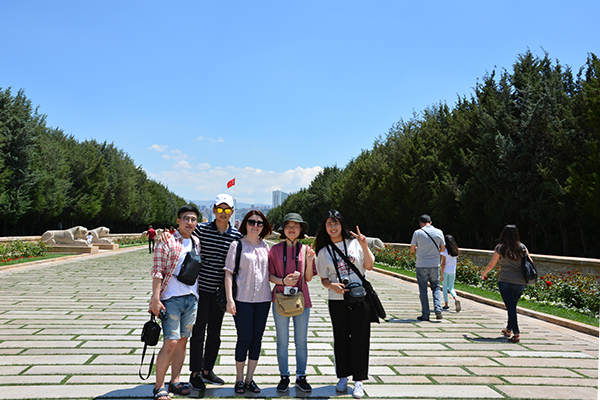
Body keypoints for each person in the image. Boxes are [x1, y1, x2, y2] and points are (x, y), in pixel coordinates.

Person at [157, 194, 242, 391]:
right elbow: (182, 233)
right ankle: (195, 372)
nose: (223, 213)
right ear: (213, 210)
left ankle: (207, 370)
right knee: (197, 333)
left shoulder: (236, 235)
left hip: (219, 292)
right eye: (219, 209)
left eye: (227, 209)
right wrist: (166, 233)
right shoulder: (202, 230)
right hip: (200, 289)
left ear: (231, 211)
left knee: (215, 333)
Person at [315, 210, 374, 399]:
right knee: (340, 338)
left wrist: (364, 246)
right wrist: (331, 285)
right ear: (325, 228)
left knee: (360, 338)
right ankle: (342, 376)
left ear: (342, 224)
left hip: (359, 298)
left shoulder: (355, 243)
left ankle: (359, 381)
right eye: (329, 224)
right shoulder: (323, 251)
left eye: (336, 223)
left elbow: (369, 266)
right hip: (336, 300)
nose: (333, 227)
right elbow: (323, 279)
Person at [149, 205, 200, 400]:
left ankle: (175, 381)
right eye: (186, 218)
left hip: (191, 298)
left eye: (193, 219)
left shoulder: (197, 241)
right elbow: (157, 271)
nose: (190, 222)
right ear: (178, 221)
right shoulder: (167, 241)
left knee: (182, 342)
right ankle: (159, 385)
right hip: (170, 299)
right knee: (170, 342)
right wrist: (155, 298)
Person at [224, 210, 272, 394]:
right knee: (244, 339)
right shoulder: (237, 245)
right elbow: (228, 273)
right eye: (252, 222)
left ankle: (250, 378)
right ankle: (238, 379)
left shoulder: (266, 247)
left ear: (263, 227)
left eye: (259, 223)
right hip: (242, 300)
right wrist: (230, 300)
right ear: (245, 224)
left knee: (256, 340)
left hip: (263, 300)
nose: (255, 226)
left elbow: (271, 274)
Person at [268, 213, 316, 393]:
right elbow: (270, 275)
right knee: (282, 341)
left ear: (301, 229)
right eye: (288, 225)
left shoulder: (305, 250)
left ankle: (301, 376)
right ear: (283, 229)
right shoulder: (275, 250)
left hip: (302, 300)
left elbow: (309, 278)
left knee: (301, 341)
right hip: (280, 298)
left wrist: (310, 261)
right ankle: (284, 376)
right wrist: (283, 281)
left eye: (296, 226)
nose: (292, 229)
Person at [481, 225, 529, 343]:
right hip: (520, 282)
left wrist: (484, 274)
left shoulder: (500, 248)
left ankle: (516, 333)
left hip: (506, 281)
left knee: (511, 307)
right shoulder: (522, 247)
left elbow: (492, 265)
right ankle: (508, 330)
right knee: (512, 306)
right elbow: (530, 262)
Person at [410, 214, 445, 321]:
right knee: (436, 287)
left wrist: (419, 251)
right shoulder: (439, 232)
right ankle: (438, 309)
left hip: (421, 264)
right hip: (434, 264)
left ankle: (425, 314)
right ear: (431, 222)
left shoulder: (418, 233)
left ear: (421, 223)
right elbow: (442, 249)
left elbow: (412, 250)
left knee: (423, 289)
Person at [440, 235, 461, 312]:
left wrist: (441, 274)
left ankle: (446, 305)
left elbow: (443, 263)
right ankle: (456, 298)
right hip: (453, 271)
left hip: (445, 271)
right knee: (451, 287)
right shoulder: (456, 251)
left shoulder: (444, 251)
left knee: (445, 288)